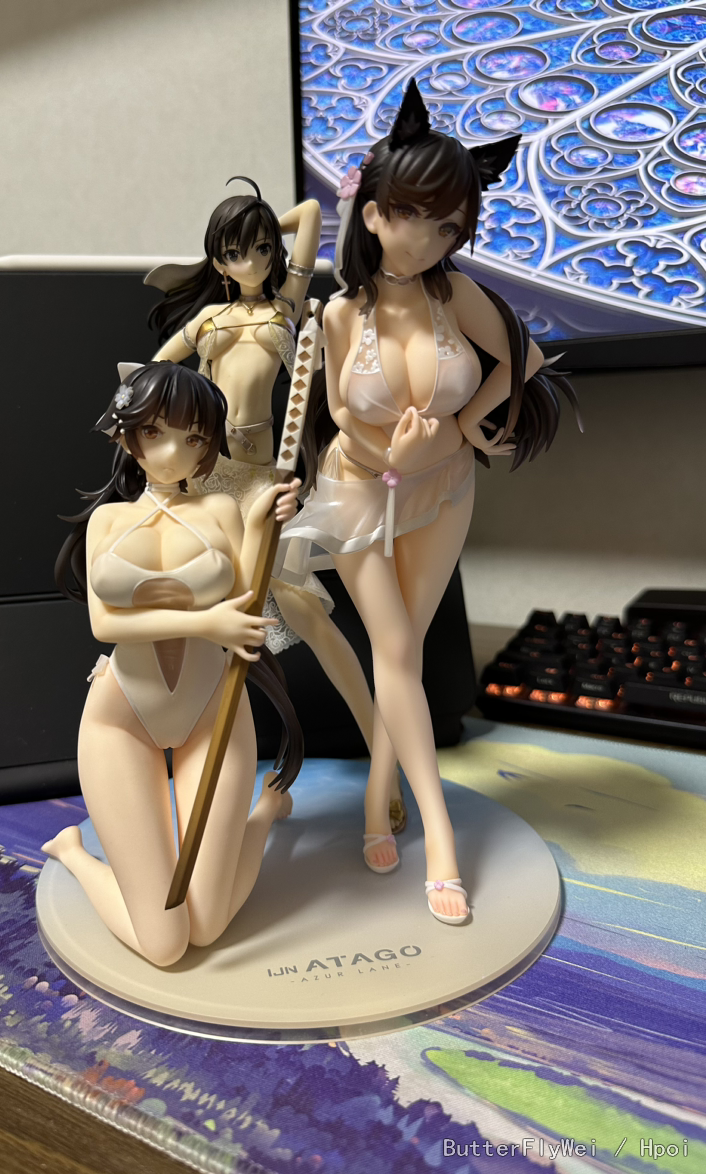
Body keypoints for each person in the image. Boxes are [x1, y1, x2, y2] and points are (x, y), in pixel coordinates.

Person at [279, 80, 580, 919]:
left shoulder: (457, 298)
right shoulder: (340, 315)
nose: (431, 237)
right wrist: (395, 454)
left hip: (443, 489)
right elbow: (341, 417)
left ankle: (383, 802)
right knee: (396, 649)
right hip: (357, 494)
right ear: (375, 214)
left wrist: (467, 428)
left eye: (449, 226)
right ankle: (440, 838)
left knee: (401, 655)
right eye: (415, 215)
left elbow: (525, 361)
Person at [148, 178, 407, 834]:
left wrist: (258, 218)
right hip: (209, 482)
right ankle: (193, 775)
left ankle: (385, 763)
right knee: (207, 622)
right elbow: (155, 375)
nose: (254, 261)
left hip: (267, 482)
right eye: (237, 252)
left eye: (262, 247)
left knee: (308, 614)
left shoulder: (287, 306)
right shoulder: (208, 321)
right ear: (218, 260)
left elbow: (313, 212)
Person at [45, 361, 302, 967]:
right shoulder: (108, 520)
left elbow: (244, 601)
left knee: (206, 927)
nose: (172, 453)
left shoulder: (220, 512)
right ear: (126, 432)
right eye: (155, 432)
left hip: (212, 712)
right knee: (165, 946)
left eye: (194, 438)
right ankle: (73, 853)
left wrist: (261, 522)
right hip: (121, 718)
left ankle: (265, 813)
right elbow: (104, 625)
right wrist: (204, 624)